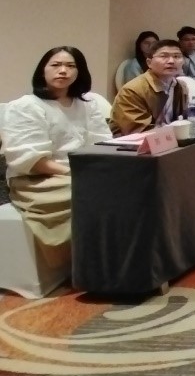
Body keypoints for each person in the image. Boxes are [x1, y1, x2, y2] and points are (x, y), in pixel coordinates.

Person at [2, 46, 112, 265]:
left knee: (125, 185)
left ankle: (113, 257)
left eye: (70, 66)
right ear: (42, 70)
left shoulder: (87, 105)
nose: (63, 70)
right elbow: (32, 160)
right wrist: (78, 173)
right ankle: (86, 262)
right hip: (36, 178)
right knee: (96, 192)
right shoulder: (26, 106)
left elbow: (102, 142)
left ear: (79, 72)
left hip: (81, 171)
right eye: (55, 65)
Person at [110, 38, 190, 135]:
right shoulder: (132, 90)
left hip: (169, 138)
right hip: (134, 141)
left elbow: (184, 120)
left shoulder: (181, 86)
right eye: (164, 56)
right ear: (149, 63)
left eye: (177, 56)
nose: (171, 61)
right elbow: (138, 129)